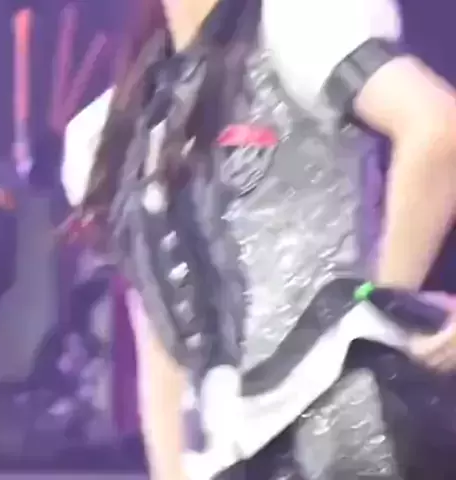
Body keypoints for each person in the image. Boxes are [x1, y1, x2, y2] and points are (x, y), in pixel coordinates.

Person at [62, 0, 456, 478]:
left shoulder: (297, 24)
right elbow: (161, 332)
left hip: (343, 414)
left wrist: (388, 313)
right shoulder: (109, 130)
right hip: (230, 449)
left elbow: (438, 130)